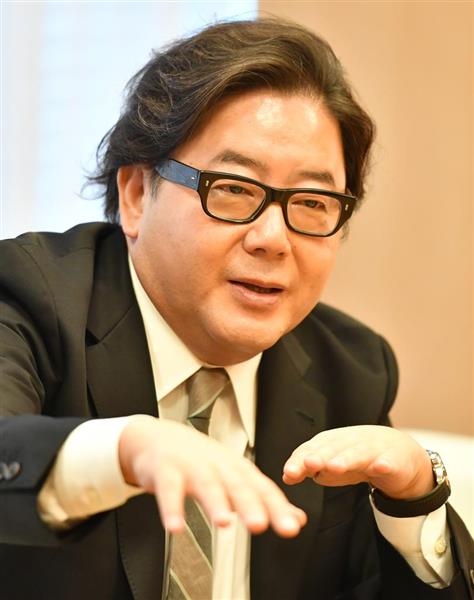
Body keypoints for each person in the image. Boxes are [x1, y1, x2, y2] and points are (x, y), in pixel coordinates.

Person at [0, 17, 472, 600]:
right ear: (136, 195)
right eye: (233, 189)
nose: (273, 238)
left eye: (313, 201)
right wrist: (124, 451)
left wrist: (415, 501)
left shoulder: (350, 370)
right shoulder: (26, 296)